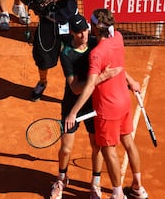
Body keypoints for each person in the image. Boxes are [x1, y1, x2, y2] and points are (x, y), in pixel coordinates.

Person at [64, 9, 149, 199]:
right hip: (125, 102)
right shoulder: (118, 37)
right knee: (128, 142)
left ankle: (117, 194)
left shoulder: (96, 54)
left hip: (107, 108)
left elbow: (88, 87)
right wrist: (131, 80)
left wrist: (73, 112)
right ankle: (138, 187)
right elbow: (119, 64)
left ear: (94, 26)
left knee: (108, 149)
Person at [50, 14, 123, 199]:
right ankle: (61, 178)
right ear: (72, 33)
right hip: (72, 106)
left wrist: (128, 79)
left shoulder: (95, 43)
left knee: (96, 146)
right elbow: (74, 88)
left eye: (85, 30)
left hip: (92, 103)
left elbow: (115, 61)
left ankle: (95, 183)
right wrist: (100, 78)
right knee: (66, 148)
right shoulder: (66, 54)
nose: (83, 35)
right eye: (79, 32)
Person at [19, 0, 77, 101]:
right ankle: (42, 82)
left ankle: (76, 88)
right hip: (47, 19)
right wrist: (31, 2)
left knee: (75, 57)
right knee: (42, 56)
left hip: (69, 19)